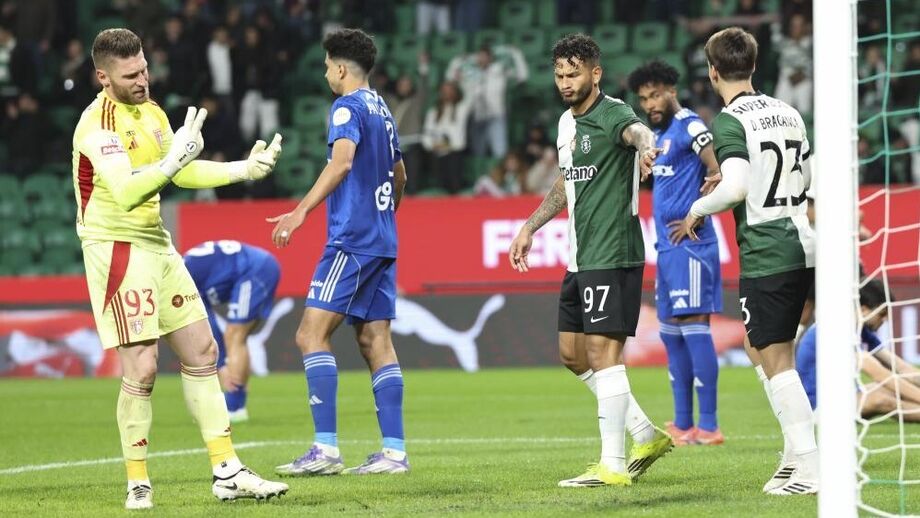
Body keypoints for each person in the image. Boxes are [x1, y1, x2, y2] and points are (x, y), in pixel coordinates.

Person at [71, 28, 286, 509]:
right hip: (116, 246)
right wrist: (172, 162)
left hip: (157, 243)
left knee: (203, 350)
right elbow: (128, 192)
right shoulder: (96, 126)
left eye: (144, 69)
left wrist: (242, 169)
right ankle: (138, 482)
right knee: (143, 367)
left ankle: (226, 470)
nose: (142, 80)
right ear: (103, 77)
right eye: (130, 75)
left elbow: (182, 169)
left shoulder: (151, 111)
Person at [508, 34, 673, 488]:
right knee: (572, 354)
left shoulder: (613, 113)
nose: (565, 82)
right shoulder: (566, 124)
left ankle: (612, 465)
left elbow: (637, 131)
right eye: (559, 74)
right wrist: (529, 226)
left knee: (603, 353)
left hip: (613, 251)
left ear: (595, 74)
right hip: (580, 255)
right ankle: (645, 433)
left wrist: (646, 147)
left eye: (574, 74)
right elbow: (566, 183)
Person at [670, 27, 817, 495]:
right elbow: (806, 179)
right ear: (753, 65)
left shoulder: (729, 121)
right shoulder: (788, 111)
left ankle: (810, 468)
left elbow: (734, 187)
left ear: (712, 72)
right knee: (760, 348)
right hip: (802, 239)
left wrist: (696, 209)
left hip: (769, 250)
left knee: (776, 359)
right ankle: (793, 456)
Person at [268, 28, 409, 477]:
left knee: (310, 334)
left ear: (342, 68)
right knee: (375, 340)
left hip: (352, 240)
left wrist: (300, 212)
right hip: (382, 239)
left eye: (328, 66)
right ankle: (394, 453)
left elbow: (342, 162)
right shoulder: (382, 108)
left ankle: (325, 449)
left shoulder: (346, 107)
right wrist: (383, 218)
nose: (326, 73)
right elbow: (400, 175)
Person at [627, 60, 724, 446]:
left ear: (671, 91)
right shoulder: (657, 135)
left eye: (655, 95)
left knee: (695, 329)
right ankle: (683, 423)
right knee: (670, 333)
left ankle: (710, 426)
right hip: (667, 248)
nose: (649, 104)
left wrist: (696, 214)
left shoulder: (690, 125)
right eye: (643, 99)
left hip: (693, 246)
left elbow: (717, 173)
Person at [183, 240, 281, 423]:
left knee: (234, 334)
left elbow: (206, 323)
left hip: (253, 269)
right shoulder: (183, 268)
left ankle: (234, 407)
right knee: (238, 337)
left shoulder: (180, 280)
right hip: (259, 265)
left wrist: (221, 364)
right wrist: (221, 363)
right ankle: (238, 404)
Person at [796, 280, 920, 422]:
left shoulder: (861, 329)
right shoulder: (834, 330)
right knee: (880, 399)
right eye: (882, 314)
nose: (886, 319)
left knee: (890, 390)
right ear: (863, 309)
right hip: (818, 407)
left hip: (845, 396)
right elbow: (880, 375)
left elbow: (901, 368)